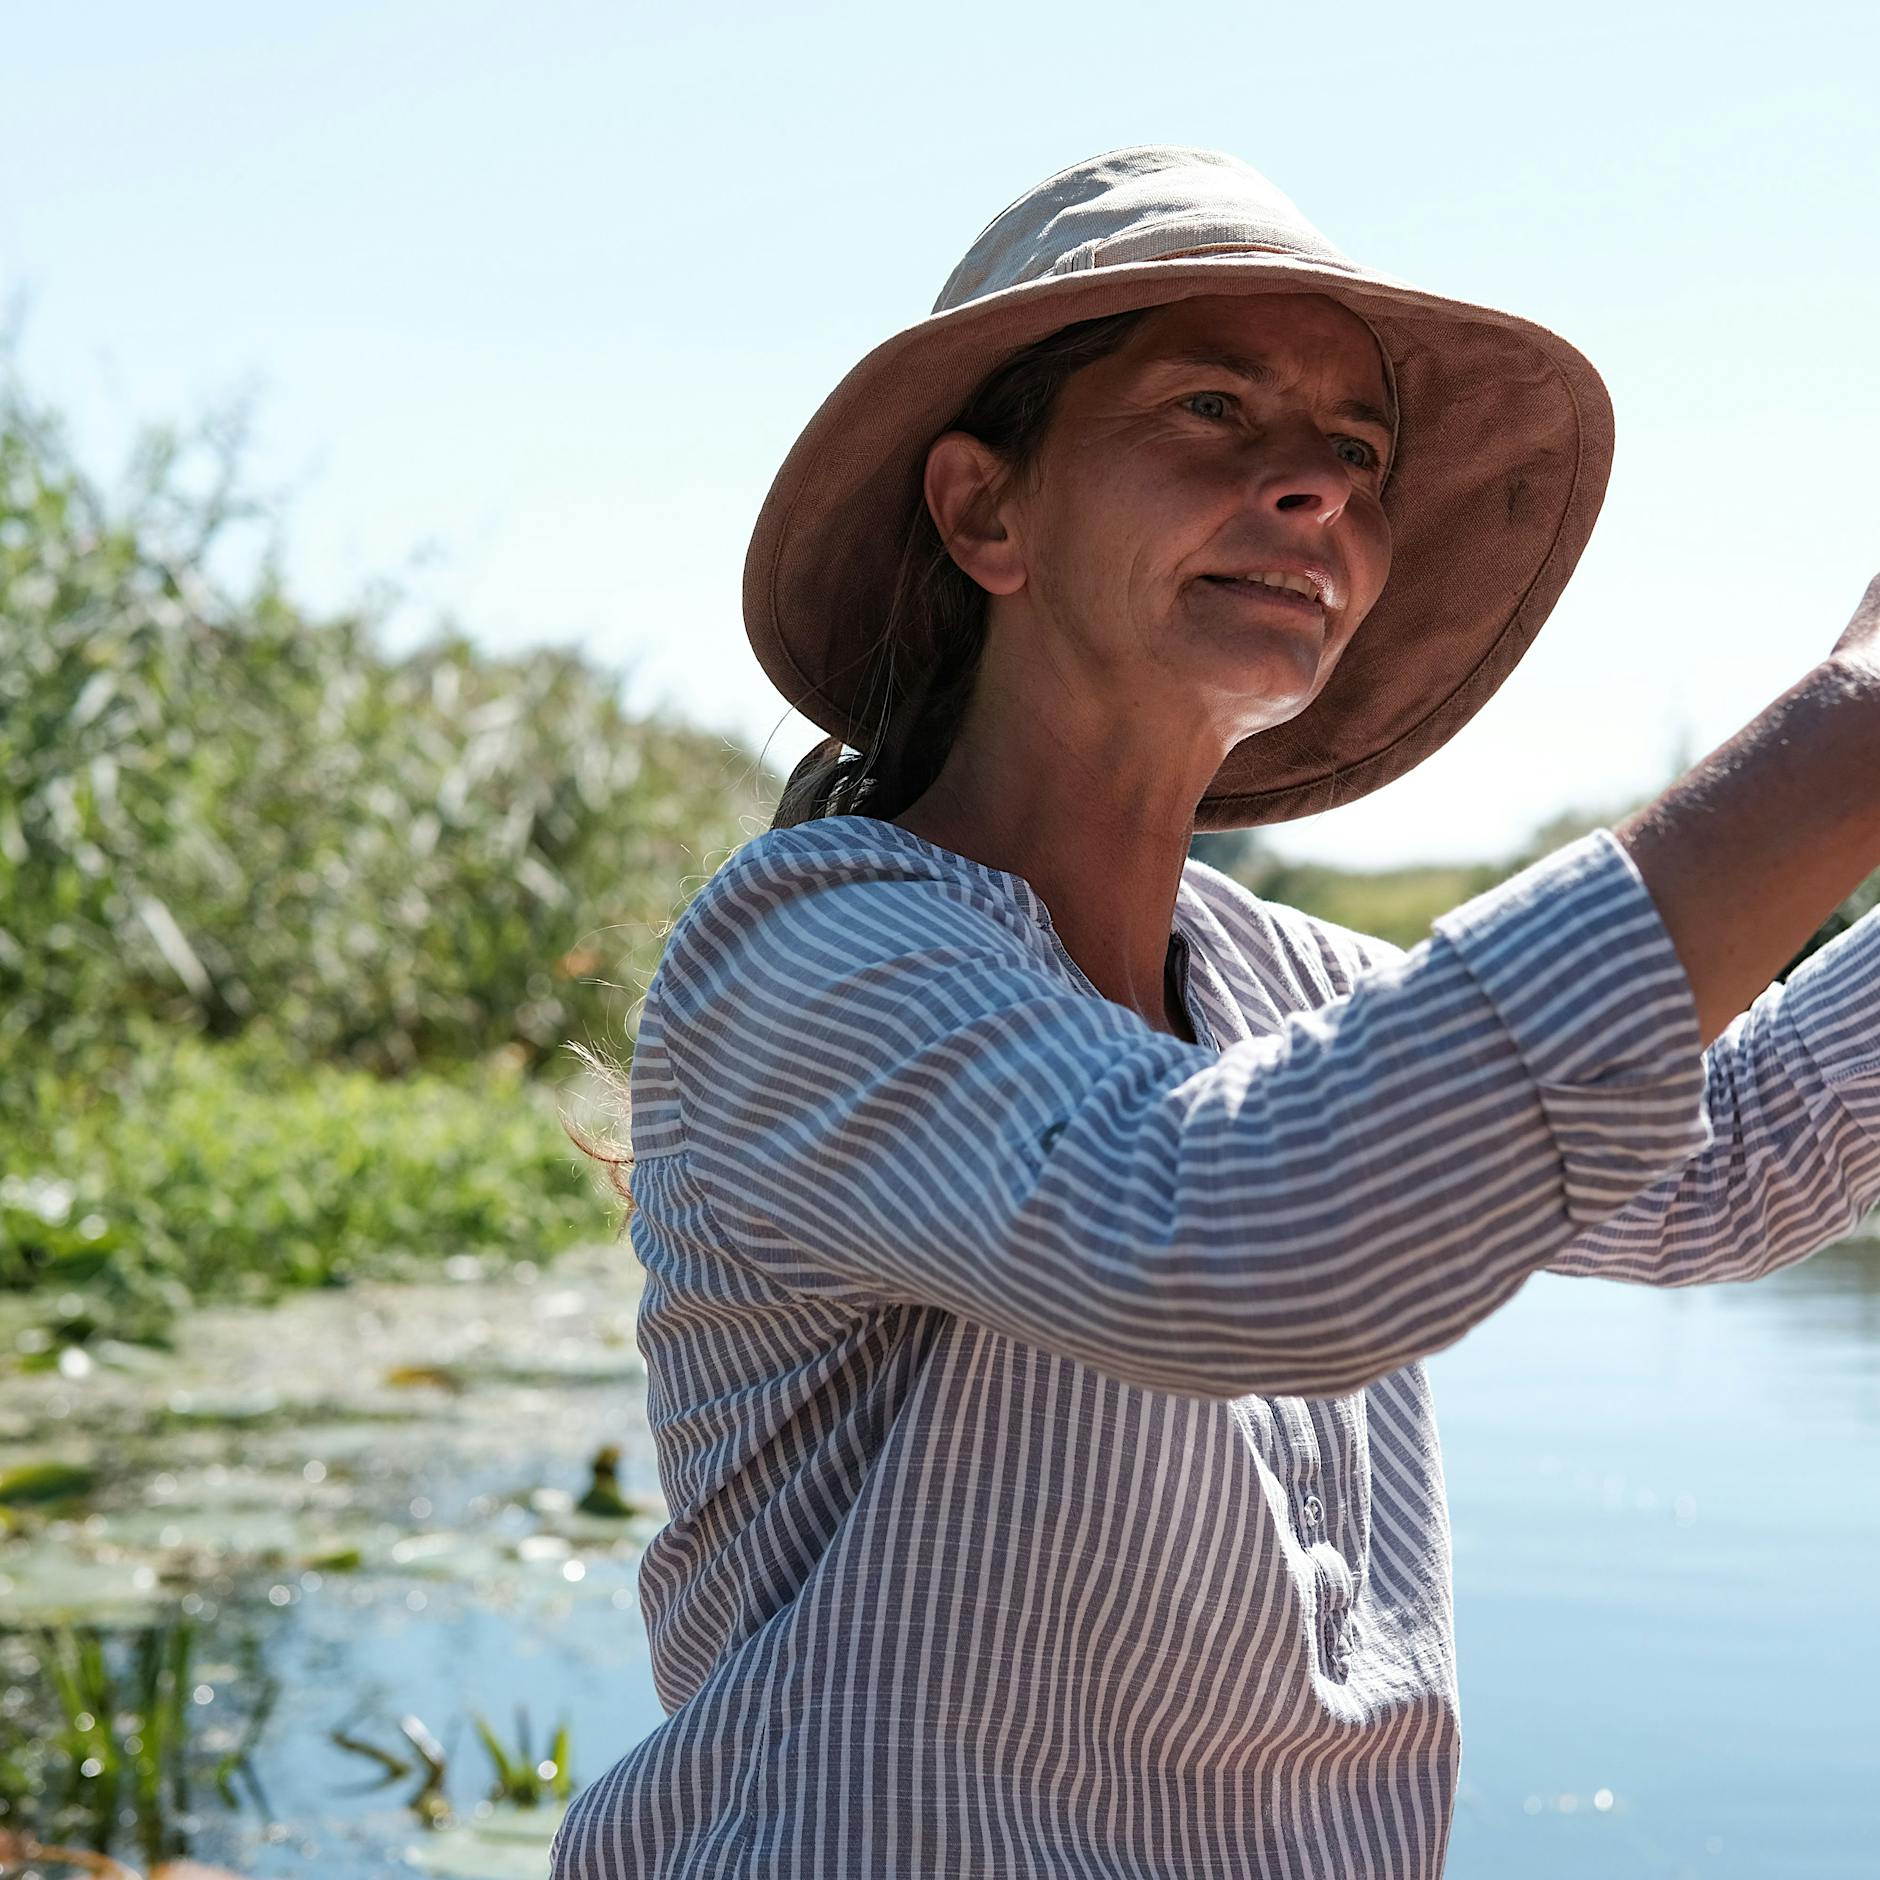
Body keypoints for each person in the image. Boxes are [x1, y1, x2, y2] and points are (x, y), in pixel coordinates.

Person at [552, 146, 1880, 1877]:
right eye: (1210, 408)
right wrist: (1853, 725)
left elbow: (1744, 1158)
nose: (1312, 488)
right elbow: (1230, 1226)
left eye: (1357, 451)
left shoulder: (1268, 974)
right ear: (986, 514)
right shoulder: (820, 950)